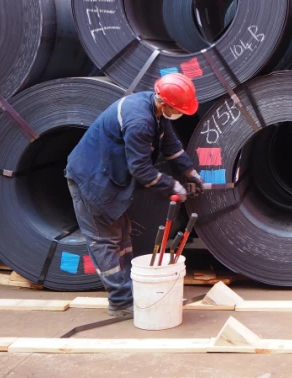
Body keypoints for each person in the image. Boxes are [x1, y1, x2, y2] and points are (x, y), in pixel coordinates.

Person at [65, 73, 205, 316]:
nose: (181, 113)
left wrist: (190, 172)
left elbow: (171, 145)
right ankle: (120, 303)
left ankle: (133, 295)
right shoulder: (140, 121)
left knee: (122, 237)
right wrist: (172, 186)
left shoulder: (155, 109)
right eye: (179, 109)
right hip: (91, 180)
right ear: (165, 103)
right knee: (105, 241)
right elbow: (140, 170)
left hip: (110, 176)